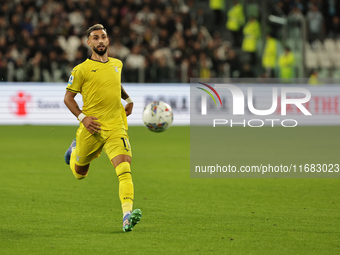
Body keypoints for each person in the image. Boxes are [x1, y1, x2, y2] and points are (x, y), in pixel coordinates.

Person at [63, 24, 142, 232]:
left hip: (116, 126)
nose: (100, 41)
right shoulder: (81, 70)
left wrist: (129, 99)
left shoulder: (117, 64)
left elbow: (116, 84)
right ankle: (73, 152)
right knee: (80, 173)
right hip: (92, 128)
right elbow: (68, 98)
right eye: (95, 38)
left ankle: (127, 216)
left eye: (103, 37)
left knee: (124, 170)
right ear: (89, 43)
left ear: (108, 41)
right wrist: (83, 118)